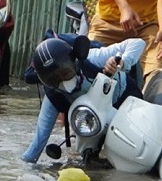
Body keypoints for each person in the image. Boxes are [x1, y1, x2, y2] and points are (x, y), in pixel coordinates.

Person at [21, 36, 145, 164]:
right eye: (54, 80)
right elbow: (37, 145)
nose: (64, 83)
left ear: (74, 63)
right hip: (92, 122)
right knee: (90, 161)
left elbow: (138, 43)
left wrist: (121, 62)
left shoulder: (92, 59)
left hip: (124, 98)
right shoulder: (53, 96)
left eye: (65, 73)